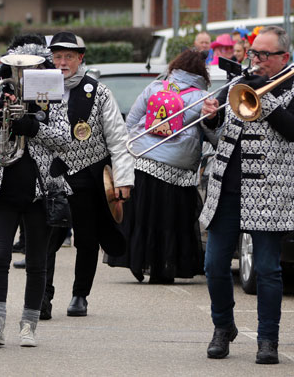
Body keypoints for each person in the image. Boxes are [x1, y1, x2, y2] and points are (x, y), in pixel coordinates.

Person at [199, 26, 294, 365]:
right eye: (254, 53)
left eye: (264, 54)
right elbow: (220, 137)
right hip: (227, 187)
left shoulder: (291, 87)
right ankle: (223, 327)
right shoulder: (237, 84)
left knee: (267, 270)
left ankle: (268, 339)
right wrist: (212, 119)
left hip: (269, 193)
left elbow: (291, 131)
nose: (257, 59)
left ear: (284, 57)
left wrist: (264, 99)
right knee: (214, 265)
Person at [0, 34, 71, 347]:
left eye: (32, 69)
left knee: (37, 262)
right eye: (20, 70)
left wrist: (33, 126)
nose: (25, 75)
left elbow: (65, 140)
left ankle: (29, 324)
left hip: (41, 190)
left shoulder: (53, 99)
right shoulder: (2, 94)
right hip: (3, 188)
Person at [42, 31, 132, 319]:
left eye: (69, 56)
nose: (62, 62)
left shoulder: (99, 92)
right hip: (51, 176)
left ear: (80, 58)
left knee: (87, 238)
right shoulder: (39, 89)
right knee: (47, 238)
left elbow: (118, 138)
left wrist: (123, 180)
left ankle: (80, 294)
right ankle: (43, 295)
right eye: (57, 56)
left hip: (89, 174)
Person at [106, 49, 209, 283]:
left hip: (142, 161)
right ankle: (164, 268)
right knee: (169, 221)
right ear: (202, 73)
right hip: (176, 169)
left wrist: (129, 153)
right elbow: (212, 134)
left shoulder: (155, 88)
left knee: (142, 217)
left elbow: (131, 121)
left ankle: (137, 260)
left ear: (175, 67)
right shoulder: (202, 97)